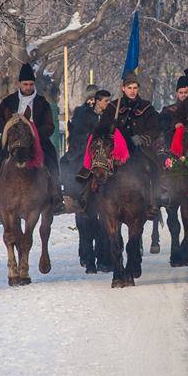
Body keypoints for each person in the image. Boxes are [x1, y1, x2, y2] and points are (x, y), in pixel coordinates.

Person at [0, 63, 63, 219]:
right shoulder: (8, 101)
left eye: (31, 84)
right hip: (13, 143)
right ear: (19, 84)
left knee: (52, 162)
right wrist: (9, 129)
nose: (28, 87)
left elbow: (50, 126)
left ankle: (57, 198)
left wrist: (35, 133)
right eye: (25, 84)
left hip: (38, 142)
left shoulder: (42, 103)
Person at [92, 72, 162, 217]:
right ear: (123, 88)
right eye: (129, 87)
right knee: (97, 165)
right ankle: (91, 197)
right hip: (115, 148)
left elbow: (155, 128)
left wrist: (143, 138)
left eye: (135, 88)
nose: (132, 91)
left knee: (152, 166)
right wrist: (110, 134)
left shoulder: (146, 107)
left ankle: (152, 201)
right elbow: (102, 128)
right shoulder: (113, 107)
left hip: (139, 149)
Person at [62, 87, 112, 271]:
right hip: (84, 152)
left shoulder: (109, 113)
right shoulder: (82, 113)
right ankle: (69, 196)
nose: (93, 101)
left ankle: (106, 257)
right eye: (90, 99)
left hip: (104, 153)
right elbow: (76, 133)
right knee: (66, 164)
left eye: (95, 99)